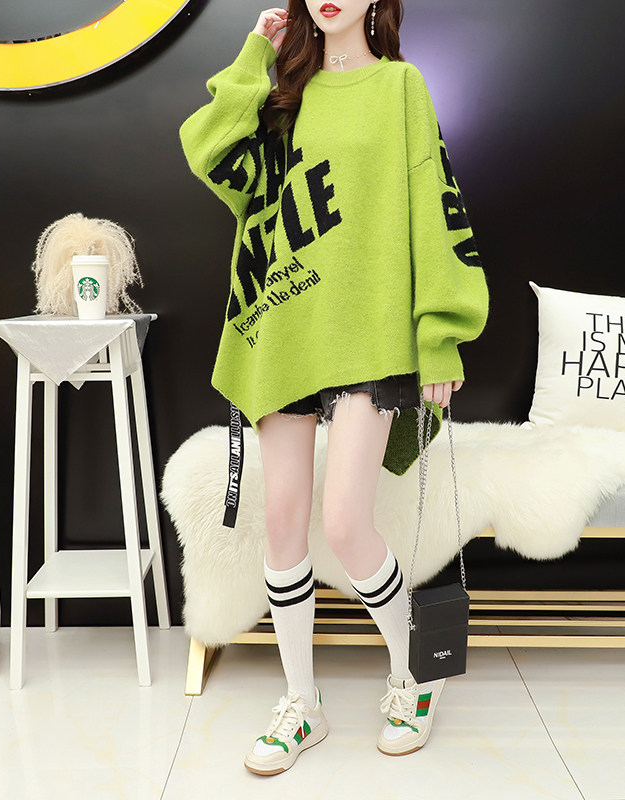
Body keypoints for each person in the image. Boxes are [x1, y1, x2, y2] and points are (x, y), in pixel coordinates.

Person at [179, 0, 489, 776]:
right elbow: (209, 151)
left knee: (347, 523)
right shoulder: (283, 93)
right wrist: (255, 55)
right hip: (284, 326)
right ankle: (302, 704)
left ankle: (412, 677)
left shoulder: (401, 88)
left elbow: (434, 210)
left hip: (369, 331)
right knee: (283, 521)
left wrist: (440, 336)